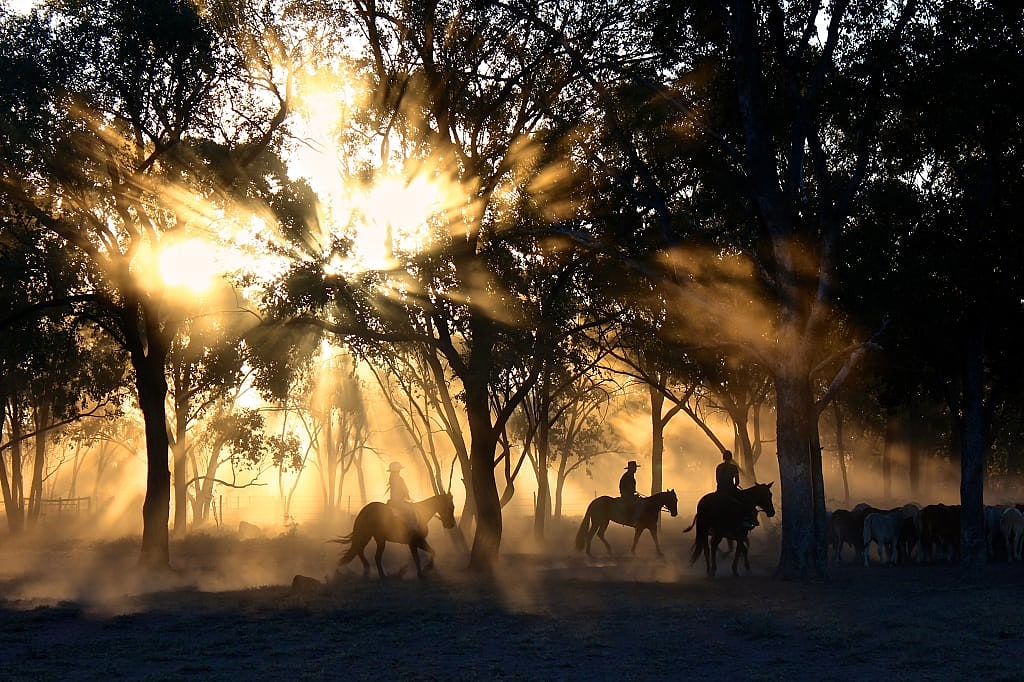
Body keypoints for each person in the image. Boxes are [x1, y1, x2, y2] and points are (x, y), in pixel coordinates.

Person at [715, 450, 757, 530]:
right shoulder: (733, 468)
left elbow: (717, 480)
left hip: (720, 490)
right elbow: (737, 482)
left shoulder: (719, 467)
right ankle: (746, 520)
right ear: (730, 458)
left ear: (723, 457)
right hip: (731, 490)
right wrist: (734, 486)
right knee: (743, 502)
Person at [386, 461, 420, 534]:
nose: (399, 471)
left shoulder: (391, 479)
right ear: (397, 470)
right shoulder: (399, 479)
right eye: (399, 470)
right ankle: (412, 528)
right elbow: (404, 490)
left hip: (393, 500)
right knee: (410, 511)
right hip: (398, 501)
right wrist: (408, 496)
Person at [619, 460, 642, 524]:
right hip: (626, 495)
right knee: (638, 504)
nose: (636, 469)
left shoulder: (630, 475)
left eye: (636, 468)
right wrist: (630, 493)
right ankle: (633, 520)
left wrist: (633, 491)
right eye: (635, 468)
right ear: (631, 468)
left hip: (629, 494)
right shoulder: (627, 476)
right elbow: (623, 487)